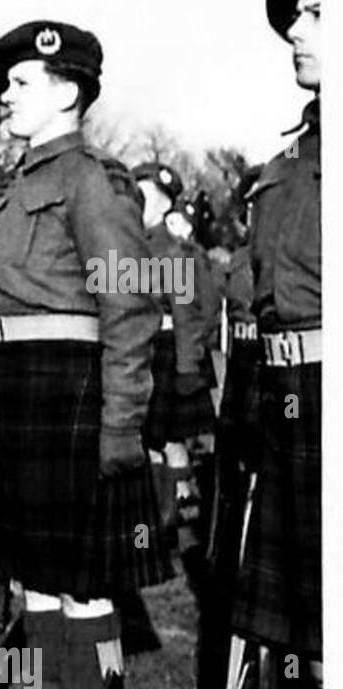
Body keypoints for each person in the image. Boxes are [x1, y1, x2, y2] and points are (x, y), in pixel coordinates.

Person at [0, 21, 170, 689]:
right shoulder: (16, 186)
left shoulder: (94, 182)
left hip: (71, 386)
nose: (5, 98)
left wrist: (122, 422)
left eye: (19, 84)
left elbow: (130, 305)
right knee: (36, 570)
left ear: (66, 89)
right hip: (14, 382)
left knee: (81, 577)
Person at [223, 0, 322, 689]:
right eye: (295, 14)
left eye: (319, 10)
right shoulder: (289, 160)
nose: (297, 27)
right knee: (303, 630)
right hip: (290, 401)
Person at [132, 164, 216, 546]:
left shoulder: (174, 253)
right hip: (135, 351)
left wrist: (186, 367)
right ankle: (152, 517)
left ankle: (175, 518)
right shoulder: (127, 247)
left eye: (145, 196)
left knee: (166, 439)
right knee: (144, 439)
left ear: (164, 204)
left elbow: (185, 315)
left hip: (164, 352)